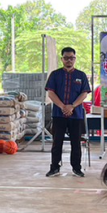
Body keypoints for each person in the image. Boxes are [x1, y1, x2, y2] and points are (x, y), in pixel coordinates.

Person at [45, 47, 90, 178]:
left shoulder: (81, 75)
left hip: (76, 115)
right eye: (66, 58)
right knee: (57, 141)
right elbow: (51, 93)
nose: (69, 60)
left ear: (75, 59)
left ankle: (77, 168)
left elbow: (84, 93)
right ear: (62, 59)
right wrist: (62, 106)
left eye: (72, 58)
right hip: (58, 114)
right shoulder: (55, 74)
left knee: (76, 142)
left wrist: (72, 106)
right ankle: (54, 168)